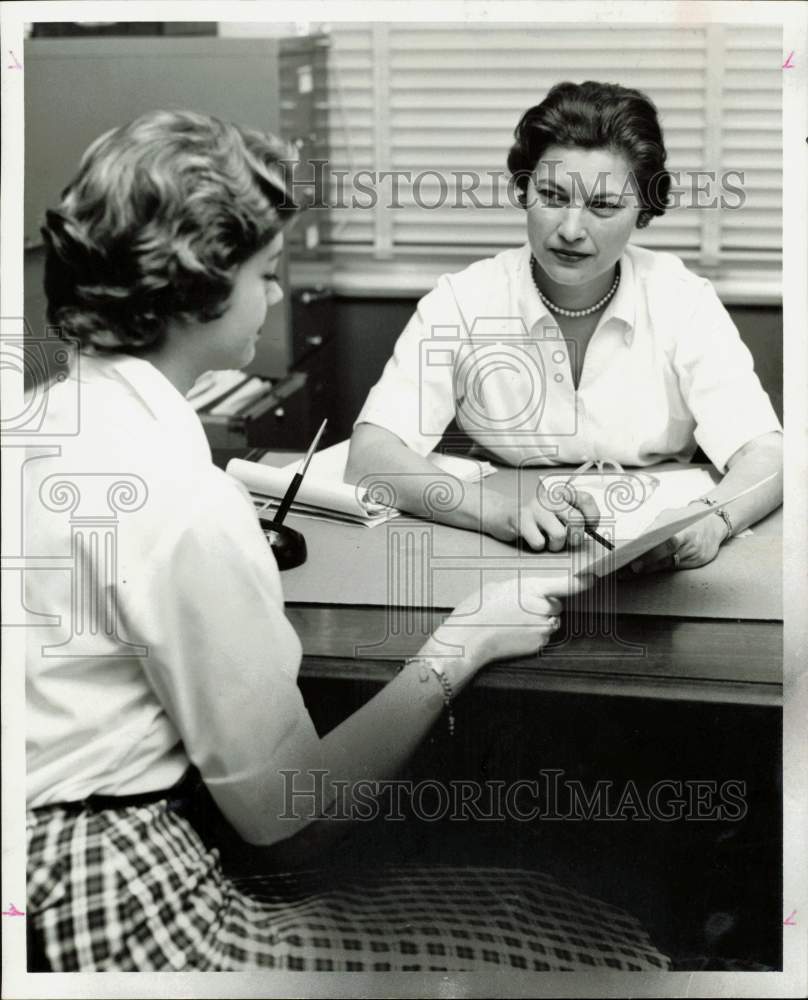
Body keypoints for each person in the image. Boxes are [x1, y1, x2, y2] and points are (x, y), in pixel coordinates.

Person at [24, 109, 671, 973]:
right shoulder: (183, 498)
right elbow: (294, 820)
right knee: (603, 945)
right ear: (195, 289)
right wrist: (460, 645)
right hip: (125, 908)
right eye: (266, 271)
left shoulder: (34, 423)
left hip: (35, 884)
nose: (279, 293)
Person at [346, 80, 783, 574]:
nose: (572, 229)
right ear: (523, 191)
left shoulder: (683, 299)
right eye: (552, 195)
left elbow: (768, 453)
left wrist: (711, 518)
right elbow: (371, 454)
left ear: (643, 211)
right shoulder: (464, 299)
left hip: (662, 554)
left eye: (603, 206)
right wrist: (499, 512)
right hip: (505, 549)